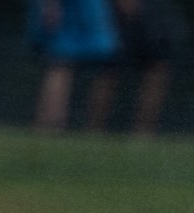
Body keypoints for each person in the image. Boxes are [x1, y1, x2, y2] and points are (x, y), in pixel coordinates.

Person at [85, 0, 181, 136]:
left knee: (157, 69)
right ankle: (93, 131)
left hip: (155, 10)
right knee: (108, 72)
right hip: (127, 11)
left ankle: (143, 134)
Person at [28, 0, 118, 132]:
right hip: (72, 10)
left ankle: (91, 127)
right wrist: (50, 5)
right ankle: (49, 123)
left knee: (106, 64)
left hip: (91, 10)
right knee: (61, 63)